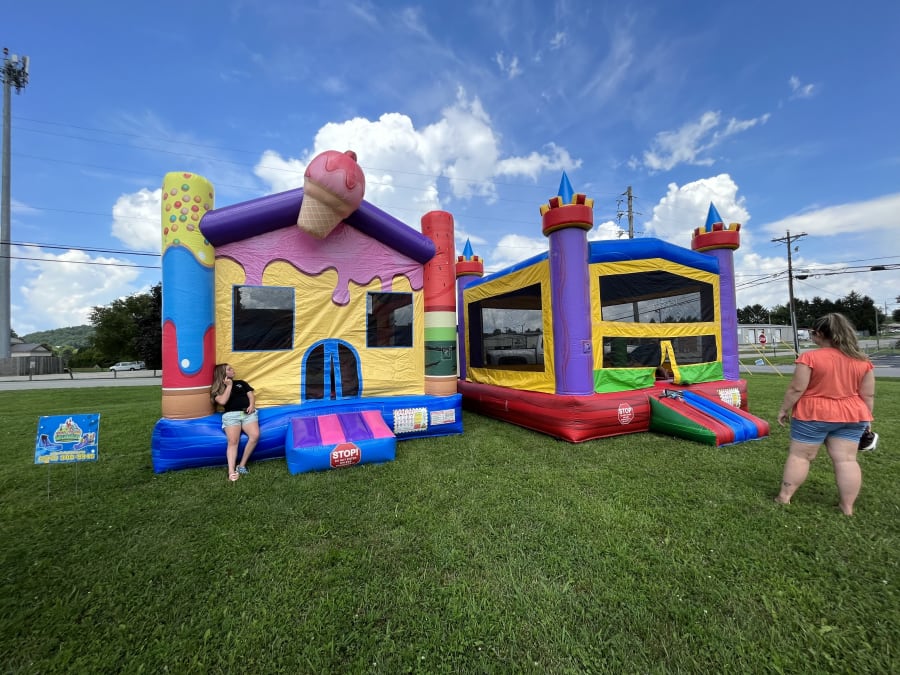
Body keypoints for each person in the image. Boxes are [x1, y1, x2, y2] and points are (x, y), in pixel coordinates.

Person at [774, 313, 875, 515]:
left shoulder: (809, 358)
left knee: (801, 456)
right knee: (847, 460)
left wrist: (784, 409)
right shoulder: (863, 361)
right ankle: (847, 507)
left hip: (813, 413)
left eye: (812, 333)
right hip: (852, 414)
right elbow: (868, 395)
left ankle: (784, 497)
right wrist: (866, 419)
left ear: (820, 334)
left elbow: (796, 389)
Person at [210, 363, 260, 482]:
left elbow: (251, 396)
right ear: (223, 373)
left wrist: (252, 405)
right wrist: (229, 386)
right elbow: (223, 401)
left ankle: (241, 465)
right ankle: (231, 471)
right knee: (233, 441)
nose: (233, 370)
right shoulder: (218, 389)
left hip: (247, 414)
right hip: (231, 416)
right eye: (229, 369)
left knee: (255, 435)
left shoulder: (241, 383)